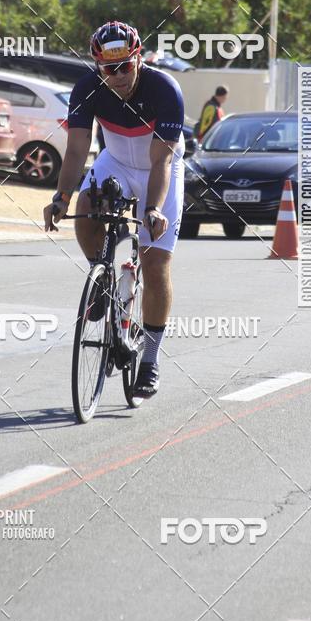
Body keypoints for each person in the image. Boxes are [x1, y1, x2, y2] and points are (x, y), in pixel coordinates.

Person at [43, 21, 185, 399]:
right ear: (98, 67)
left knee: (156, 263)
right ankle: (102, 279)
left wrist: (153, 209)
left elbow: (162, 161)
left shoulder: (164, 89)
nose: (119, 76)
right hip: (117, 161)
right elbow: (77, 149)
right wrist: (61, 197)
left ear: (138, 59)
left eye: (125, 66)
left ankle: (150, 361)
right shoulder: (86, 88)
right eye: (110, 69)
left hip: (160, 168)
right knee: (85, 204)